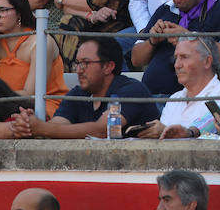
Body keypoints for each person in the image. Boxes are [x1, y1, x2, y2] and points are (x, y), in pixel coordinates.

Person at [12, 36, 158, 138]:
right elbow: (58, 124)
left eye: (85, 63)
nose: (78, 69)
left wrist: (42, 128)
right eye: (77, 63)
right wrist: (29, 123)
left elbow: (103, 131)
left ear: (108, 66)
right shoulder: (78, 93)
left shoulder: (131, 90)